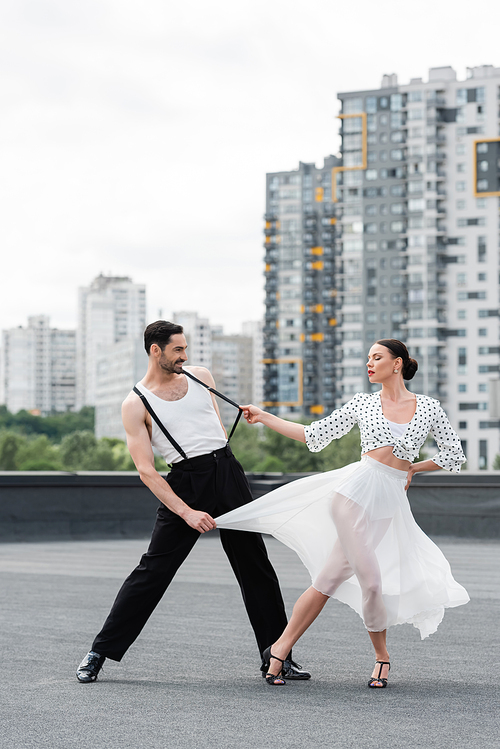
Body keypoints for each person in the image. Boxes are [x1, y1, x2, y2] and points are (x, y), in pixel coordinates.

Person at [215, 339, 469, 688]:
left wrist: (413, 468)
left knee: (328, 579)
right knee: (373, 581)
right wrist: (265, 416)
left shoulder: (428, 407)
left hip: (389, 501)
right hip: (353, 492)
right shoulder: (362, 404)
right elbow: (313, 435)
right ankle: (382, 657)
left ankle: (278, 649)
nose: (369, 363)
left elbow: (453, 455)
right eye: (368, 358)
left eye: (376, 357)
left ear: (397, 364)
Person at [76, 321, 310, 683]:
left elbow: (212, 427)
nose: (185, 356)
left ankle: (278, 657)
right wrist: (185, 511)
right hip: (185, 483)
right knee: (152, 572)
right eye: (178, 350)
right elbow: (146, 471)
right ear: (156, 351)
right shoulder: (135, 403)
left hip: (228, 472)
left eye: (185, 349)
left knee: (256, 566)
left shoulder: (201, 376)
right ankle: (99, 652)